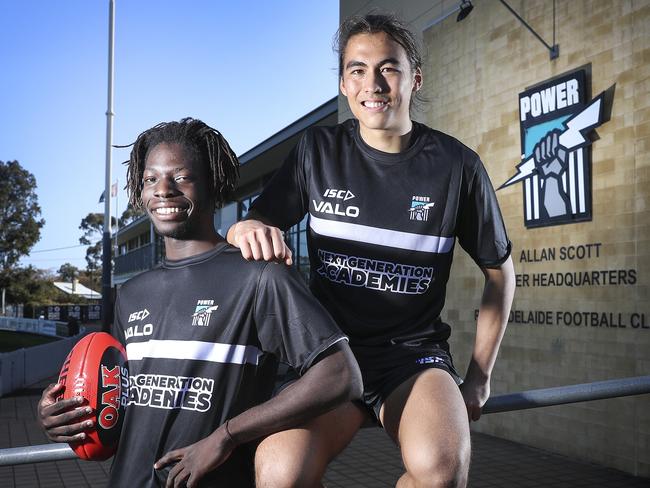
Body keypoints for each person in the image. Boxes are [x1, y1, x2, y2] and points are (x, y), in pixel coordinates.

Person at [228, 13, 515, 488]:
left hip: (411, 358)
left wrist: (479, 377)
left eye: (389, 67)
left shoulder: (456, 166)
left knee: (442, 473)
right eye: (357, 69)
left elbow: (500, 274)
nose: (373, 82)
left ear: (414, 77)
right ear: (343, 83)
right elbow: (254, 223)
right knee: (280, 474)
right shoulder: (316, 151)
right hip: (327, 357)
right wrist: (245, 230)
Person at [38, 118, 362, 487]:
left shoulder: (258, 277)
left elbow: (340, 375)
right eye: (150, 179)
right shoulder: (131, 295)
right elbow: (115, 394)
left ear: (212, 184)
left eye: (180, 177)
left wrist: (228, 434)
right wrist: (61, 413)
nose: (162, 190)